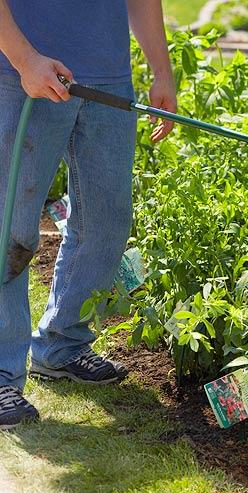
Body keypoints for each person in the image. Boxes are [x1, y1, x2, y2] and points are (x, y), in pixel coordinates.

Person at [0, 0, 177, 428]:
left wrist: (161, 70)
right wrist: (25, 60)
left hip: (108, 79)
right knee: (11, 228)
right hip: (21, 72)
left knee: (106, 221)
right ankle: (2, 371)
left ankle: (62, 343)